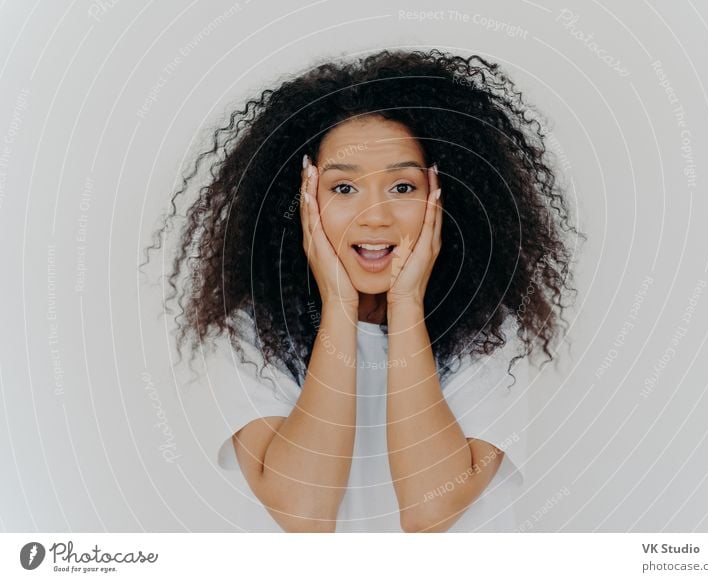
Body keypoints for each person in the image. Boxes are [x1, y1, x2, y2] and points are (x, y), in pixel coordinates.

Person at [143, 48, 581, 532]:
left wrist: (406, 303)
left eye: (403, 188)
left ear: (441, 198)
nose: (374, 216)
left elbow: (429, 512)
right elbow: (304, 513)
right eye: (343, 189)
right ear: (304, 201)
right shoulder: (251, 332)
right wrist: (339, 305)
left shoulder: (491, 331)